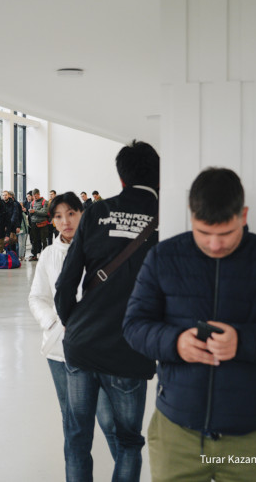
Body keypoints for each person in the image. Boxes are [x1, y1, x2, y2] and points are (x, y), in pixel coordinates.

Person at [123, 167, 256, 482]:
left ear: (243, 215)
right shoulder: (162, 257)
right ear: (191, 215)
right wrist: (175, 343)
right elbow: (133, 326)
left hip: (250, 438)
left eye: (225, 234)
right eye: (203, 232)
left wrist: (242, 341)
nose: (214, 245)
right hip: (175, 436)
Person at [54, 141, 160, 480]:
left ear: (121, 178)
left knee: (76, 438)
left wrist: (74, 323)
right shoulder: (168, 217)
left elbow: (65, 284)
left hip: (83, 343)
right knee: (128, 442)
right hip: (130, 348)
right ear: (158, 175)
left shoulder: (97, 212)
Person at [29, 192, 118, 475]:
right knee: (74, 425)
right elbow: (37, 297)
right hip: (60, 351)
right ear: (52, 221)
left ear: (82, 214)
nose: (65, 221)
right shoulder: (49, 255)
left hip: (97, 350)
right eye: (58, 216)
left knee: (110, 421)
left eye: (71, 214)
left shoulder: (101, 249)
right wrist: (53, 323)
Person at [28, 188, 50, 261]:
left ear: (39, 194)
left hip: (43, 224)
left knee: (43, 240)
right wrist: (30, 212)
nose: (35, 197)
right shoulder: (32, 203)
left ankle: (45, 255)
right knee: (34, 240)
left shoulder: (45, 202)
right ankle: (34, 255)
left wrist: (34, 211)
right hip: (34, 223)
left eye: (36, 195)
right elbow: (31, 214)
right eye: (33, 196)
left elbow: (45, 212)